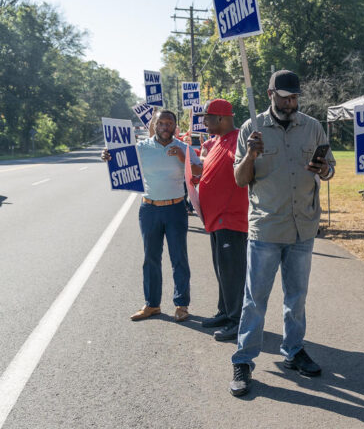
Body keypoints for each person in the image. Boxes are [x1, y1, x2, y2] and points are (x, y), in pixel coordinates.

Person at [228, 69, 336, 397]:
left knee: (296, 299)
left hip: (303, 226)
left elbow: (329, 168)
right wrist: (251, 154)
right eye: (284, 96)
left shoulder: (312, 127)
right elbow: (240, 179)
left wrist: (324, 169)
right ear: (270, 93)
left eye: (294, 97)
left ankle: (293, 351)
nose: (291, 102)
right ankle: (244, 360)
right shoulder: (252, 128)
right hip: (267, 228)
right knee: (255, 300)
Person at [100, 109, 203, 321]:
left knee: (179, 259)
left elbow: (199, 172)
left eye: (170, 123)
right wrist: (107, 156)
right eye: (161, 123)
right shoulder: (141, 148)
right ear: (154, 125)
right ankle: (152, 305)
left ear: (175, 126)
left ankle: (181, 304)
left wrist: (182, 156)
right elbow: (120, 160)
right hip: (149, 209)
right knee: (151, 258)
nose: (166, 127)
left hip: (175, 209)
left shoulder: (184, 147)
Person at [194, 99, 249, 341]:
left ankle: (238, 321)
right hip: (216, 219)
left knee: (233, 272)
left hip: (232, 219)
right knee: (221, 270)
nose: (203, 121)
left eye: (207, 117)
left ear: (221, 118)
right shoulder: (216, 141)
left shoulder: (237, 139)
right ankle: (225, 312)